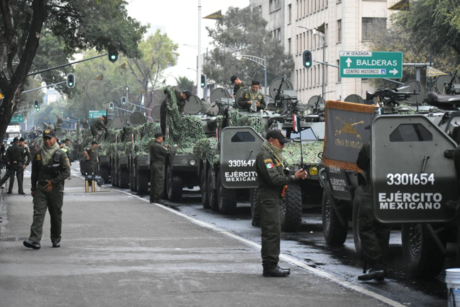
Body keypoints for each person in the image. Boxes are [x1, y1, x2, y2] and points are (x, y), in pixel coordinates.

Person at [255, 129, 307, 277]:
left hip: (274, 198)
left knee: (275, 232)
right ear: (271, 141)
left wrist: (295, 175)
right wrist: (293, 178)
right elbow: (274, 180)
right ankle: (270, 266)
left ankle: (272, 264)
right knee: (271, 233)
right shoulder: (265, 157)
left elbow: (281, 174)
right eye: (280, 143)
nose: (283, 146)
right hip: (269, 198)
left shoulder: (274, 156)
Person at [23, 129, 70, 249]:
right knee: (38, 213)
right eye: (45, 138)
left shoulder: (60, 154)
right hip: (41, 188)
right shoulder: (38, 153)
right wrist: (33, 187)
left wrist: (53, 182)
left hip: (55, 189)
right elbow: (34, 173)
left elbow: (66, 172)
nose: (47, 141)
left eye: (49, 138)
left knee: (56, 215)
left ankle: (55, 239)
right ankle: (34, 240)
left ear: (55, 139)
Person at [356, 142, 391, 281]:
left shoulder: (371, 144)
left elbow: (361, 163)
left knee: (365, 227)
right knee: (383, 227)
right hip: (392, 187)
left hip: (374, 188)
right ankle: (380, 265)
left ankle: (377, 264)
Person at [149, 132, 171, 204]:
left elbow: (161, 149)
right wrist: (174, 148)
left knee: (153, 181)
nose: (162, 139)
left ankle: (152, 198)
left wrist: (164, 147)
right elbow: (167, 152)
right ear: (160, 138)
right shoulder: (158, 146)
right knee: (159, 182)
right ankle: (157, 198)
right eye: (162, 137)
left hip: (154, 164)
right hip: (159, 165)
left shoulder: (153, 145)